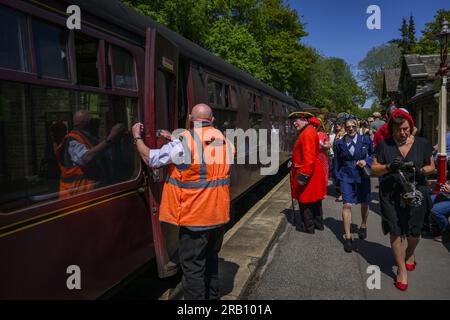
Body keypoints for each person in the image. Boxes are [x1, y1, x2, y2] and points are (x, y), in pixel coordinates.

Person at [132, 103, 235, 300]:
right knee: (211, 261)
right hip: (219, 215)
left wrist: (136, 136)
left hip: (195, 217)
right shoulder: (225, 141)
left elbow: (150, 158)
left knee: (193, 269)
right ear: (212, 120)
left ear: (190, 119)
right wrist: (173, 139)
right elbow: (203, 158)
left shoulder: (184, 142)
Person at [371, 109, 435, 291]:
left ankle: (410, 253)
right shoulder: (385, 145)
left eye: (406, 128)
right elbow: (374, 168)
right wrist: (389, 166)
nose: (403, 132)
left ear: (410, 126)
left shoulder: (422, 144)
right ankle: (401, 270)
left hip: (417, 193)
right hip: (390, 194)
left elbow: (431, 166)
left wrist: (421, 170)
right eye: (398, 129)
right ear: (392, 129)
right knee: (395, 231)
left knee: (414, 231)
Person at [55, 110, 124, 198]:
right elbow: (86, 158)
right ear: (87, 124)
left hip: (86, 194)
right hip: (74, 197)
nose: (96, 122)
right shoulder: (72, 140)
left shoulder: (88, 138)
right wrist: (110, 138)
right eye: (92, 120)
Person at [333, 118, 374, 252]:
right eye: (348, 126)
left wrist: (366, 160)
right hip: (346, 175)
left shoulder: (365, 139)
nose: (351, 129)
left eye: (353, 126)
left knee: (364, 203)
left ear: (357, 127)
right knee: (347, 204)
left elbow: (374, 154)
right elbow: (337, 162)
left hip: (362, 175)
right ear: (345, 128)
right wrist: (337, 179)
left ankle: (363, 225)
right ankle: (348, 238)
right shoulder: (339, 143)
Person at [289, 112, 327, 234]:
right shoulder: (309, 131)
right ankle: (318, 224)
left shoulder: (307, 133)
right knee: (315, 200)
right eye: (293, 121)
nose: (294, 123)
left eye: (296, 120)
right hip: (312, 170)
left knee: (305, 200)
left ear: (304, 119)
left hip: (307, 170)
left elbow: (309, 157)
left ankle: (308, 227)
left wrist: (303, 175)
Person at [309, 117, 331, 185]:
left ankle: (321, 192)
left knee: (322, 176)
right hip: (311, 159)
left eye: (315, 125)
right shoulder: (307, 133)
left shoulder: (322, 134)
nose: (314, 126)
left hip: (322, 158)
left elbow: (328, 146)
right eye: (312, 124)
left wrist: (323, 146)